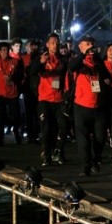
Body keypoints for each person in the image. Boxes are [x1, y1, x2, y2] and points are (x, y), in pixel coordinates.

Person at [67, 35, 112, 176]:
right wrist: (83, 54)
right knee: (83, 139)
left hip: (98, 106)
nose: (90, 46)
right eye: (87, 43)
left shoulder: (98, 61)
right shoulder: (78, 61)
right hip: (81, 106)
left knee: (100, 137)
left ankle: (95, 159)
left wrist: (107, 81)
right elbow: (71, 66)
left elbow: (107, 76)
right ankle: (85, 167)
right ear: (80, 45)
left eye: (92, 43)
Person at [35, 33, 69, 167]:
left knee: (64, 126)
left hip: (59, 99)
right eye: (53, 43)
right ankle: (46, 154)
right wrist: (40, 63)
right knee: (46, 128)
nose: (55, 45)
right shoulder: (42, 58)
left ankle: (59, 151)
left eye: (57, 42)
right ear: (47, 44)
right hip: (45, 99)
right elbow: (32, 71)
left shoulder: (63, 60)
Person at [0, 41, 24, 146]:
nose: (5, 52)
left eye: (7, 50)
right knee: (0, 116)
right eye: (3, 50)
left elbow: (21, 76)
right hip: (0, 93)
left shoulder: (16, 62)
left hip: (13, 93)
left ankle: (16, 133)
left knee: (16, 116)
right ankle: (0, 139)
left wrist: (12, 78)